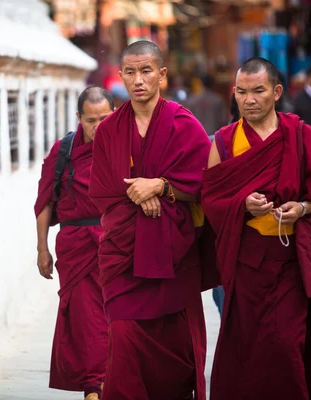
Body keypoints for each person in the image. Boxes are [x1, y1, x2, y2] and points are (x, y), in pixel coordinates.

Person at [202, 57, 311, 400]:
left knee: (284, 345)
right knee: (246, 349)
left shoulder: (301, 135)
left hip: (290, 262)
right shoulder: (221, 142)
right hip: (247, 262)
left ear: (276, 92)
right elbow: (210, 202)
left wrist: (303, 208)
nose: (249, 99)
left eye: (258, 91)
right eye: (242, 92)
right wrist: (242, 205)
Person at [89, 40, 211, 400]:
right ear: (122, 77)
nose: (138, 80)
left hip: (174, 257)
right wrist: (140, 197)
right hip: (124, 260)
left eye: (146, 71)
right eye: (130, 72)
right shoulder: (109, 129)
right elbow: (101, 193)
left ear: (162, 75)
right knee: (124, 339)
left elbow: (205, 183)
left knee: (176, 354)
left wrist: (162, 186)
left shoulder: (184, 124)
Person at [34, 86, 114, 400]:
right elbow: (44, 202)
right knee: (86, 320)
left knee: (116, 318)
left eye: (104, 119)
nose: (98, 127)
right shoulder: (63, 151)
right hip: (76, 245)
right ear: (79, 117)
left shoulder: (127, 147)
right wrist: (42, 249)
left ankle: (112, 382)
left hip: (117, 244)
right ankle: (93, 387)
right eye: (91, 120)